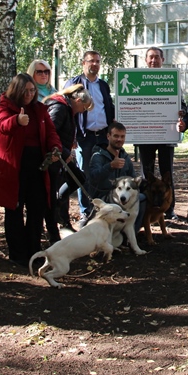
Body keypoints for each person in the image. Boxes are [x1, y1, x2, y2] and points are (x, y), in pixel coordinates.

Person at [0, 74, 63, 266]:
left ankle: (34, 250)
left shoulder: (39, 109)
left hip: (37, 165)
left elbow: (51, 132)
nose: (29, 94)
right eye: (25, 90)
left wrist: (55, 148)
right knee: (14, 209)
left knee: (37, 208)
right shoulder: (5, 106)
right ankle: (17, 253)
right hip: (13, 167)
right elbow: (2, 125)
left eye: (32, 90)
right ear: (17, 90)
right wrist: (17, 121)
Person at [64, 50, 115, 224]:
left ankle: (102, 208)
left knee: (102, 172)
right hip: (84, 137)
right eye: (91, 61)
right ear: (83, 63)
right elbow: (67, 111)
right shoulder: (74, 84)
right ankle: (86, 212)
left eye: (98, 61)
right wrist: (72, 136)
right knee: (84, 174)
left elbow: (108, 107)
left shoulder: (103, 85)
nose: (95, 64)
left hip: (102, 136)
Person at [44, 84, 95, 230]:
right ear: (78, 101)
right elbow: (51, 132)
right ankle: (54, 221)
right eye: (84, 108)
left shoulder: (67, 108)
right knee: (67, 181)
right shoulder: (60, 107)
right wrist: (64, 152)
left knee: (79, 177)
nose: (83, 111)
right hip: (55, 155)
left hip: (63, 152)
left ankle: (59, 202)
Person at [136, 47, 177, 220]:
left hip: (166, 134)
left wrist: (180, 111)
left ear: (163, 59)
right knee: (147, 174)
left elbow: (179, 101)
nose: (153, 61)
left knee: (167, 173)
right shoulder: (137, 79)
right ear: (146, 60)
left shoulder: (171, 79)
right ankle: (147, 206)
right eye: (150, 58)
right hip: (145, 136)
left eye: (157, 57)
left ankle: (169, 209)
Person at [85, 121, 146, 236]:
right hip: (103, 198)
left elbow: (133, 179)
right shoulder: (98, 156)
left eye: (122, 136)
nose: (119, 139)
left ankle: (130, 233)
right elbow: (93, 178)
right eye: (116, 136)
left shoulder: (125, 156)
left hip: (122, 197)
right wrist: (110, 166)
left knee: (142, 198)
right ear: (108, 136)